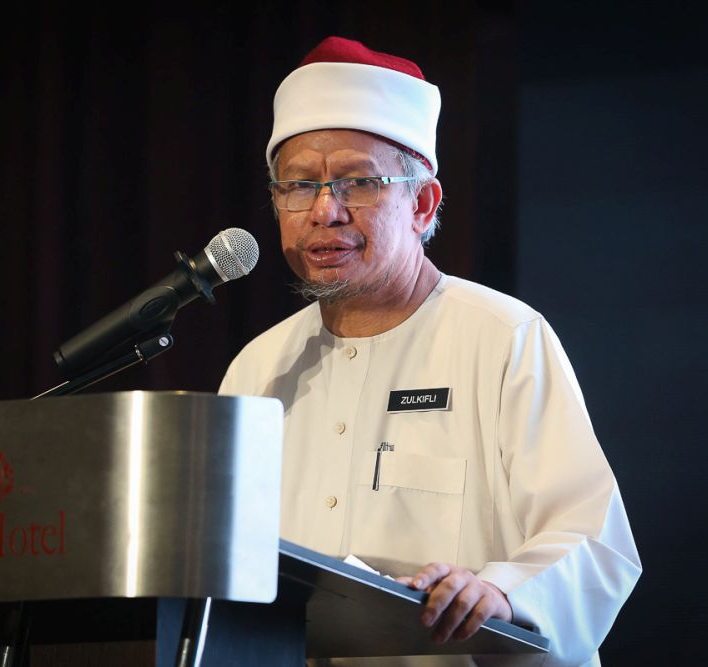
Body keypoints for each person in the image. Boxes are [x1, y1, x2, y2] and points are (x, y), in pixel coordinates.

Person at [219, 36, 641, 667]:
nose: (324, 211)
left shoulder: (502, 336)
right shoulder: (259, 366)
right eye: (299, 186)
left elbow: (590, 535)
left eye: (357, 182)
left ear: (421, 204)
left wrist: (498, 591)